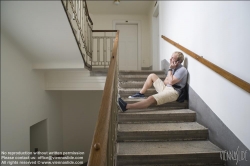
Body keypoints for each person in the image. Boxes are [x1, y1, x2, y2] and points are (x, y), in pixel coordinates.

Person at [118, 51, 188, 112]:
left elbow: (170, 82)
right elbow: (165, 81)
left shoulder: (182, 70)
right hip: (166, 88)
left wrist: (170, 69)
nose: (170, 59)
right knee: (152, 75)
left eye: (172, 58)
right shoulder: (173, 68)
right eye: (171, 57)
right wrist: (170, 78)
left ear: (178, 62)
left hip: (173, 92)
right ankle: (141, 93)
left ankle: (126, 106)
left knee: (151, 98)